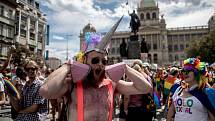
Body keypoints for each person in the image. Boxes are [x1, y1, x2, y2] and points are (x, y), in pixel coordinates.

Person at [39, 16, 152, 121]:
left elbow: (145, 88)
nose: (100, 64)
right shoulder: (72, 84)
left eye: (104, 61)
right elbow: (45, 91)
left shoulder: (111, 84)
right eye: (95, 60)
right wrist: (67, 65)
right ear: (84, 60)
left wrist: (125, 67)